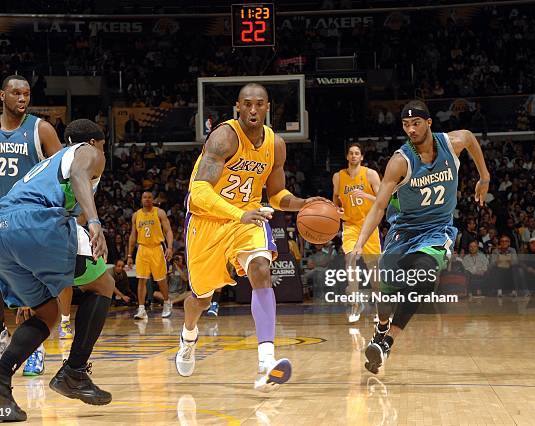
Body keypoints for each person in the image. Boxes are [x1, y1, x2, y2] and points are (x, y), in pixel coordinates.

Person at [177, 83, 326, 392]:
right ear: (238, 107)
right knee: (201, 300)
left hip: (248, 218)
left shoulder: (276, 145)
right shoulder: (224, 137)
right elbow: (199, 191)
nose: (253, 109)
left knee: (261, 269)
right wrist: (237, 213)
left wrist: (304, 204)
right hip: (207, 222)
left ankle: (266, 362)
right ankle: (188, 336)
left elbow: (276, 195)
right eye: (247, 104)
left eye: (259, 104)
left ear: (268, 107)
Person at [0, 119, 113, 421]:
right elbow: (79, 173)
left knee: (47, 314)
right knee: (103, 285)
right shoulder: (86, 152)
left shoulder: (47, 166)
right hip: (33, 225)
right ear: (95, 143)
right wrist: (94, 222)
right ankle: (74, 372)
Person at [351, 100, 490, 374]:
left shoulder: (452, 143)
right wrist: (358, 243)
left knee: (425, 276)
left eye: (416, 124)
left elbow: (471, 138)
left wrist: (484, 176)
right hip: (403, 233)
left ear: (429, 123)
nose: (411, 129)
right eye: (406, 125)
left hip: (437, 231)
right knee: (385, 294)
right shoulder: (399, 162)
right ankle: (380, 328)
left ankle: (388, 342)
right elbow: (379, 206)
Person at [0, 74, 65, 375]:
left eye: (27, 94)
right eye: (17, 93)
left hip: (30, 220)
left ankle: (35, 348)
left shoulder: (41, 129)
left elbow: (64, 170)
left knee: (32, 289)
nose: (23, 99)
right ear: (2, 96)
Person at [332, 143, 381, 323]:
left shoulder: (370, 174)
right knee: (350, 260)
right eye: (351, 153)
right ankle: (355, 303)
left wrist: (365, 195)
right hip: (350, 225)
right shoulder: (338, 177)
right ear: (347, 157)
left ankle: (379, 308)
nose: (353, 156)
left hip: (369, 226)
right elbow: (335, 199)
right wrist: (336, 210)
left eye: (357, 153)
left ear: (361, 157)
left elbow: (383, 199)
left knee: (374, 271)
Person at [127, 191, 174, 319]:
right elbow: (132, 235)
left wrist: (169, 247)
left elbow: (168, 231)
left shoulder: (159, 212)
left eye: (149, 197)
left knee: (160, 279)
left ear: (153, 199)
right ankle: (141, 309)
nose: (147, 199)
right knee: (141, 280)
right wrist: (129, 255)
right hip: (142, 248)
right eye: (144, 197)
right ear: (141, 200)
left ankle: (166, 302)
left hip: (157, 248)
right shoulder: (136, 215)